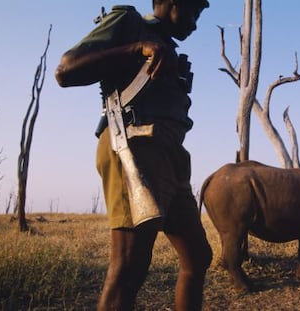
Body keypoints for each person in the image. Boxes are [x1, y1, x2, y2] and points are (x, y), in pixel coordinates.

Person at [55, 1, 212, 310]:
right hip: (134, 148)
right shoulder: (128, 21)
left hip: (172, 157)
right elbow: (65, 70)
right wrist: (136, 48)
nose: (195, 23)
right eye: (193, 11)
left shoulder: (168, 46)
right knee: (129, 267)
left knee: (198, 255)